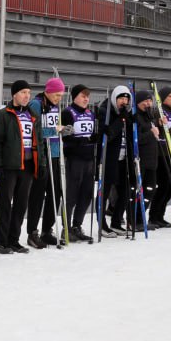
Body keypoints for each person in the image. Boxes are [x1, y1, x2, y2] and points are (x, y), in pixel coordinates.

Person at [0, 79, 37, 254]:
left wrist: (41, 164)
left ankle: (14, 239)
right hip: (9, 166)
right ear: (14, 94)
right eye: (23, 92)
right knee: (5, 205)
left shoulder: (32, 115)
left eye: (29, 93)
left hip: (28, 166)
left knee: (21, 205)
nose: (27, 96)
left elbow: (36, 141)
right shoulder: (4, 114)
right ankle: (1, 241)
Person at [26, 77, 65, 247]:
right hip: (41, 155)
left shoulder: (55, 106)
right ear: (48, 92)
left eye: (61, 95)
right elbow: (36, 129)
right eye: (56, 95)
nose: (59, 98)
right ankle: (32, 232)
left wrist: (63, 131)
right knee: (38, 194)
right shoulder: (36, 104)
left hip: (55, 153)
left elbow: (56, 127)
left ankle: (47, 229)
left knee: (55, 193)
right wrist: (54, 129)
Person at [59, 84, 98, 241]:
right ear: (74, 97)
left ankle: (77, 225)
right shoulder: (68, 113)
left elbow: (95, 133)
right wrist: (83, 140)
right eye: (83, 96)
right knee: (71, 195)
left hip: (89, 159)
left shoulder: (90, 113)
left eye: (87, 96)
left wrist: (94, 138)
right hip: (74, 159)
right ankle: (66, 228)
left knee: (87, 195)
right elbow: (66, 137)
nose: (86, 99)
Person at [97, 85, 132, 237]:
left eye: (126, 99)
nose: (124, 102)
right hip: (109, 157)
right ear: (114, 99)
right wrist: (121, 119)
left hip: (124, 158)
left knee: (125, 190)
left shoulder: (127, 113)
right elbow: (109, 134)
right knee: (104, 192)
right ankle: (102, 224)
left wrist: (129, 119)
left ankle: (117, 221)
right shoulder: (105, 111)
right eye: (121, 99)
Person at [148, 87, 171, 228]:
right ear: (163, 98)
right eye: (170, 96)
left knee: (170, 187)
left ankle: (160, 216)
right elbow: (162, 133)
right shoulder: (158, 112)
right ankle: (153, 216)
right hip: (161, 153)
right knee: (162, 186)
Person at [133, 90, 161, 226]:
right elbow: (136, 139)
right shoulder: (136, 117)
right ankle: (135, 219)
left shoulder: (151, 116)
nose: (148, 103)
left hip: (152, 160)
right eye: (145, 101)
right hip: (141, 159)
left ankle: (141, 217)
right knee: (138, 191)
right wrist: (151, 133)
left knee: (151, 189)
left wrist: (158, 126)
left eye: (150, 101)